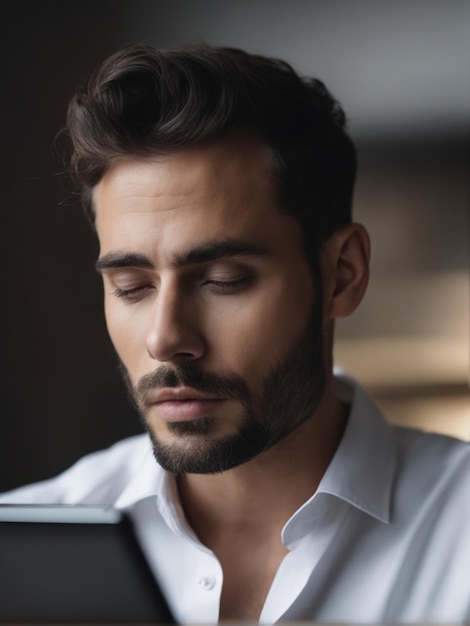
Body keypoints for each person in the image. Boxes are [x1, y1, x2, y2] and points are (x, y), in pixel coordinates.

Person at [1, 44, 469, 624]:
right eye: (131, 286)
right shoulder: (18, 553)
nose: (165, 338)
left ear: (342, 274)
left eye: (223, 280)